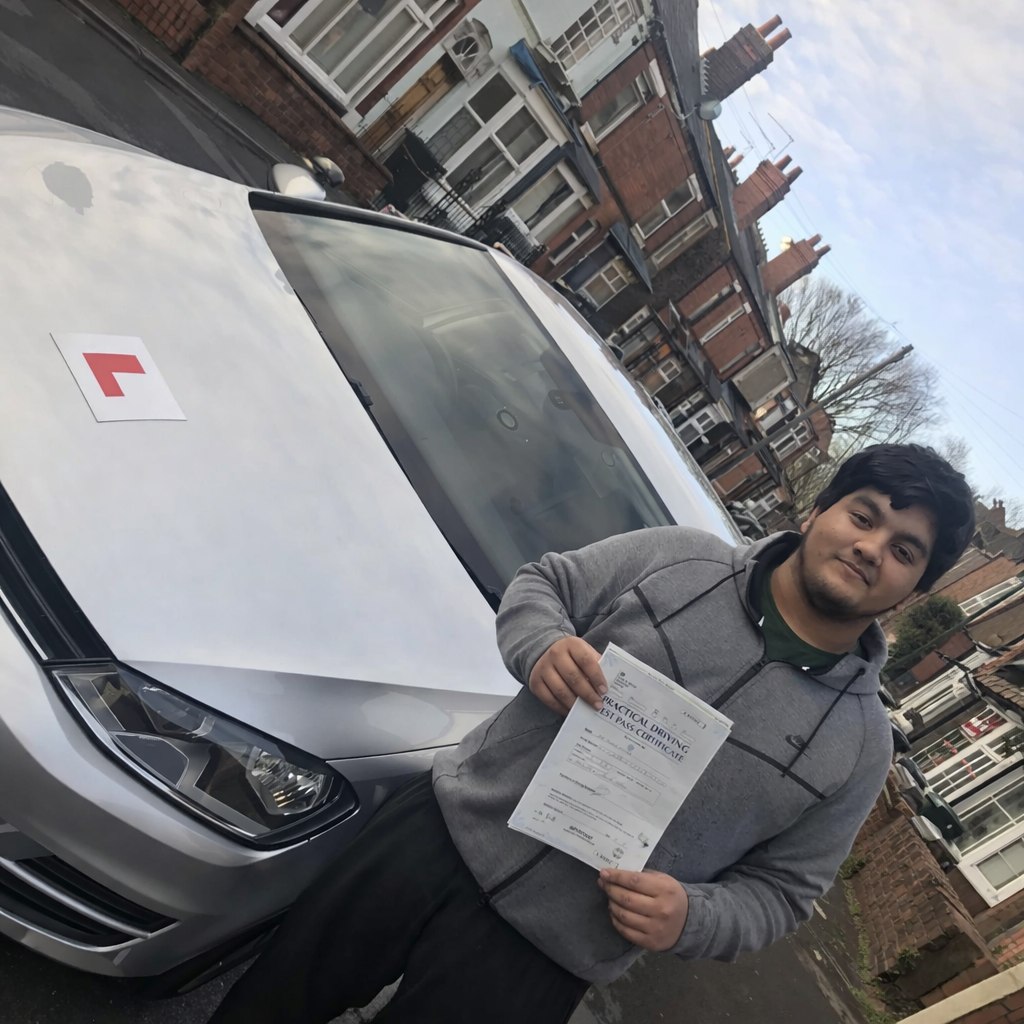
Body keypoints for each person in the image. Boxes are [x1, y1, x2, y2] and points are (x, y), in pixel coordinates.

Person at [209, 443, 975, 1024]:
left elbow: (783, 894)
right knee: (267, 1005)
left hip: (545, 957)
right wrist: (539, 644)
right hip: (437, 836)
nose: (872, 547)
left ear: (915, 588)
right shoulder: (680, 559)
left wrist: (692, 917)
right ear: (818, 513)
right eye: (863, 514)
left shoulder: (860, 746)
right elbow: (544, 586)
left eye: (904, 549)